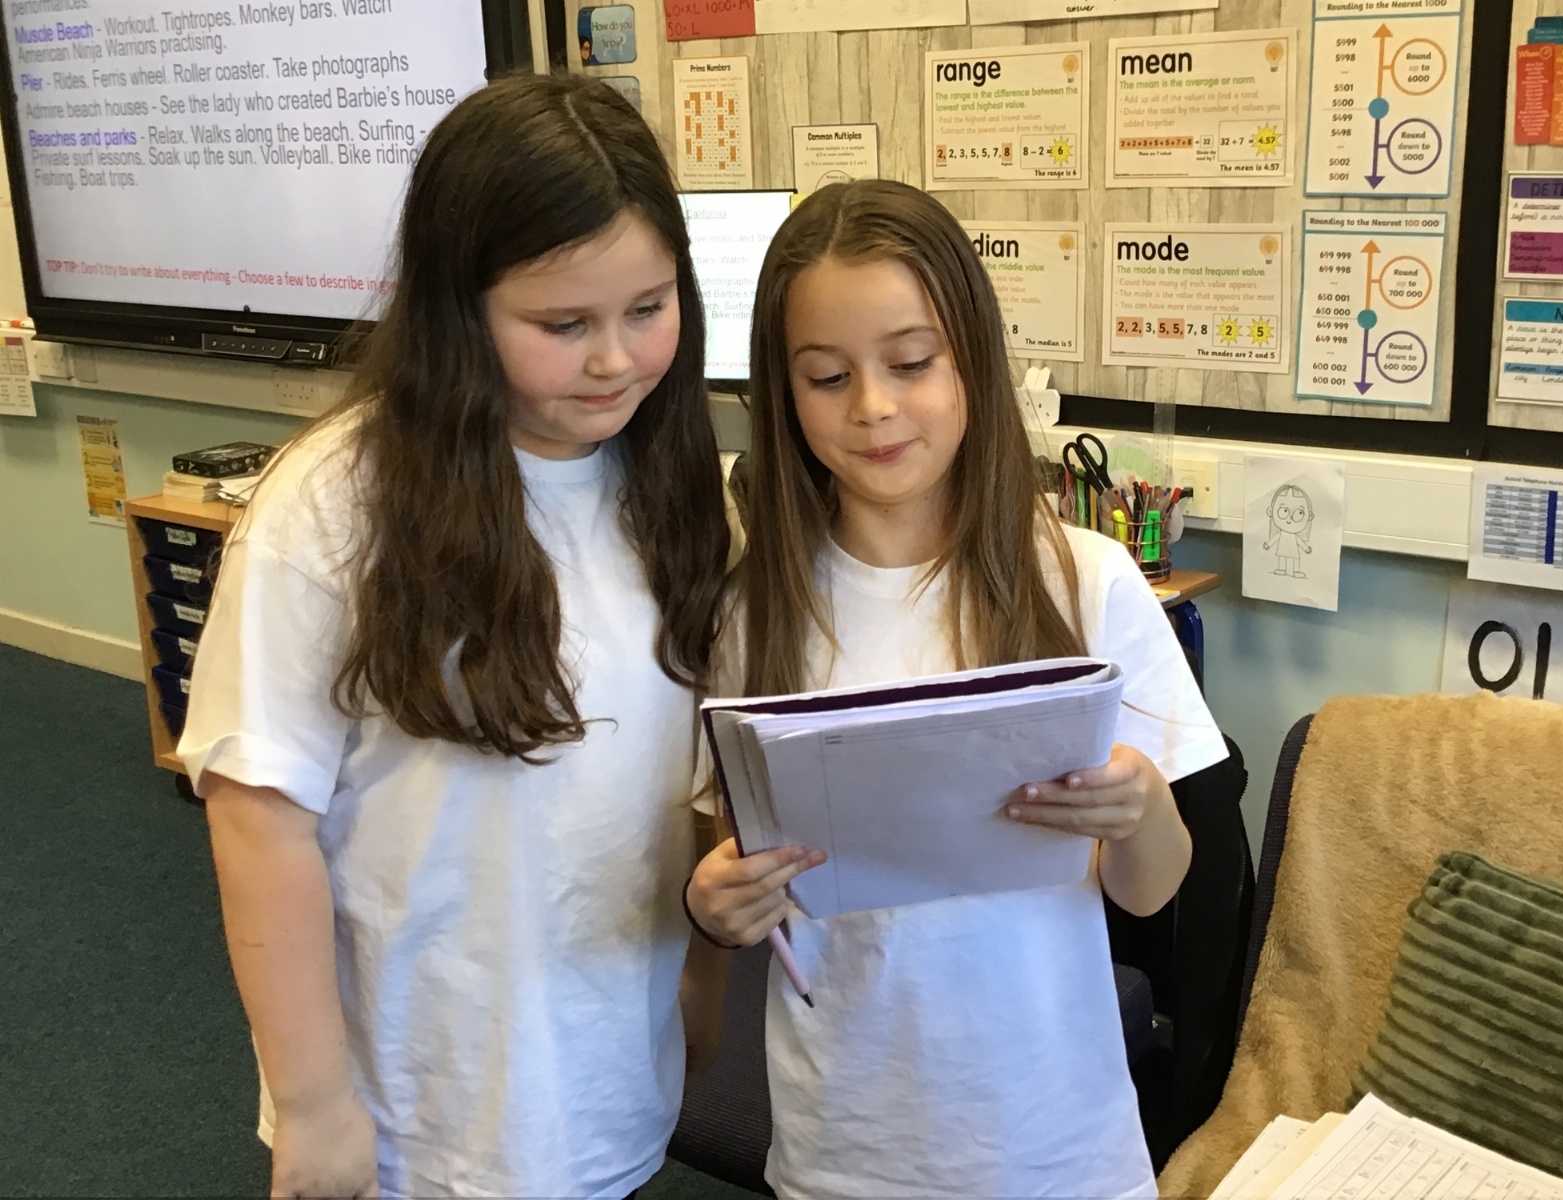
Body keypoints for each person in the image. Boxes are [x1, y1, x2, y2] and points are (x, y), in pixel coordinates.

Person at [179, 73, 730, 1198]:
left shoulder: (678, 486)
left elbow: (681, 788)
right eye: (563, 325)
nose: (616, 359)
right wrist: (315, 1105)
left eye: (648, 308)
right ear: (457, 310)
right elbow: (258, 819)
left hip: (602, 1075)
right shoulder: (332, 505)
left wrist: (698, 999)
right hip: (418, 1104)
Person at [683, 179, 1228, 1199]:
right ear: (782, 393)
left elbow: (1152, 888)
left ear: (971, 356)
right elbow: (732, 871)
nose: (872, 406)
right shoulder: (753, 613)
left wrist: (1142, 804)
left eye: (911, 362)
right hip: (844, 1147)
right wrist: (717, 907)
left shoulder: (1084, 581)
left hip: (1056, 1144)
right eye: (826, 376)